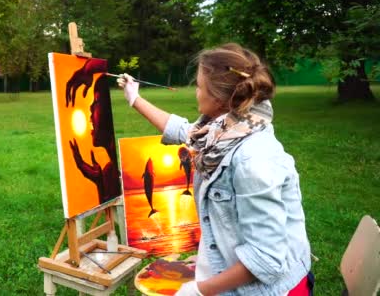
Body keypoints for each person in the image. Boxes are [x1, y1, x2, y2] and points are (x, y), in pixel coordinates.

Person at [117, 43, 313, 296]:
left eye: (199, 86)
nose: (196, 92)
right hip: (239, 276)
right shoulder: (231, 127)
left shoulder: (251, 160)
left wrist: (200, 289)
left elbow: (266, 261)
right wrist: (135, 98)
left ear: (219, 99)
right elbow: (185, 132)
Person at [66, 59, 121, 204]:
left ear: (107, 109)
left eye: (96, 101)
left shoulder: (113, 173)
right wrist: (99, 182)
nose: (90, 109)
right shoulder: (109, 172)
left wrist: (86, 70)